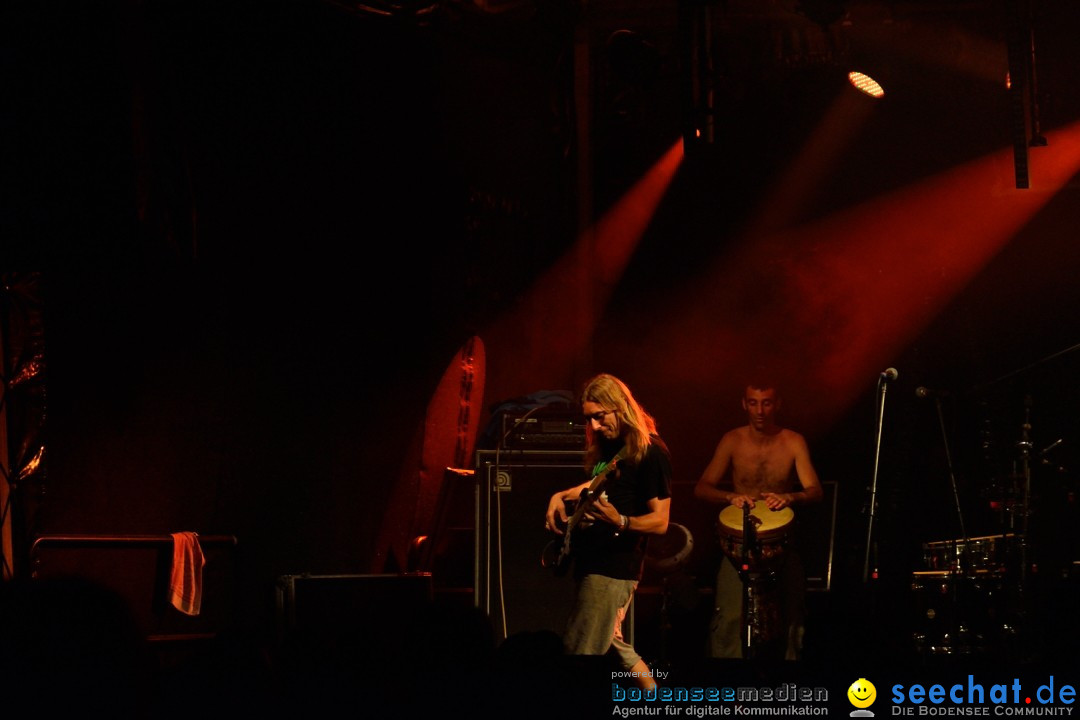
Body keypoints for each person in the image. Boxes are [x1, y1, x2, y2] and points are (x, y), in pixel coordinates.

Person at [544, 373, 673, 692]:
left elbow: (660, 522)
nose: (596, 427)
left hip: (612, 569)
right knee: (617, 649)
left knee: (579, 654)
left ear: (620, 407)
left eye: (600, 417)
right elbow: (593, 487)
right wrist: (559, 496)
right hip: (593, 563)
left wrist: (622, 522)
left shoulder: (651, 452)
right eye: (589, 419)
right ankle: (660, 702)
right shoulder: (616, 451)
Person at [693, 380, 823, 660]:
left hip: (782, 544)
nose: (760, 410)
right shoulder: (732, 440)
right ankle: (728, 693)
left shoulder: (793, 441)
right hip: (739, 544)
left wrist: (791, 497)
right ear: (744, 404)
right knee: (728, 618)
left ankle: (788, 692)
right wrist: (730, 497)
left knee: (792, 620)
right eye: (753, 402)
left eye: (766, 403)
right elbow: (702, 488)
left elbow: (815, 491)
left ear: (777, 404)